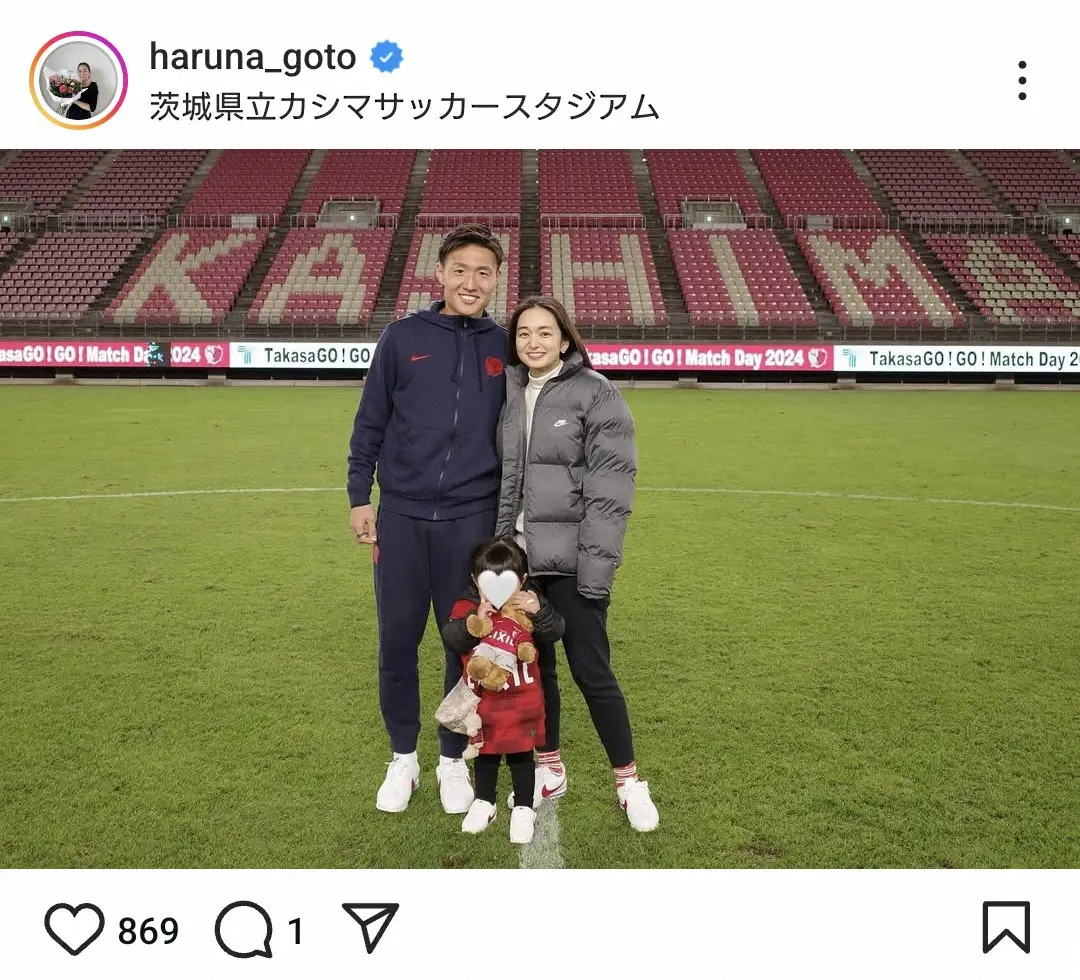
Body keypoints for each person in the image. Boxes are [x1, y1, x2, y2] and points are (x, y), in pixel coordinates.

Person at [347, 223, 508, 815]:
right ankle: (402, 759)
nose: (471, 282)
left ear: (496, 280)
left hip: (472, 521)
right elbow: (370, 421)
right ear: (439, 273)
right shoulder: (402, 337)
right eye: (459, 270)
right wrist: (359, 496)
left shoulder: (505, 344)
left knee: (462, 643)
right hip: (403, 518)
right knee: (397, 640)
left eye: (483, 272)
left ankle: (450, 759)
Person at [495, 295, 659, 832]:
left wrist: (594, 573)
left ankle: (629, 781)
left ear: (565, 339)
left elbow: (611, 492)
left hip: (573, 565)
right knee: (536, 672)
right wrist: (502, 558)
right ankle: (551, 769)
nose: (534, 342)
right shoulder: (511, 392)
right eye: (524, 333)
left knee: (593, 671)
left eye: (545, 332)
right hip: (523, 564)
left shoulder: (596, 392)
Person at [440, 536, 564, 843]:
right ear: (475, 581)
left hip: (524, 700)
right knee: (486, 755)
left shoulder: (528, 603)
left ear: (522, 580)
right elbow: (451, 637)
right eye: (488, 582)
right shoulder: (469, 606)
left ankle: (523, 807)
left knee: (522, 755)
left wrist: (539, 610)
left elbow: (555, 630)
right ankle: (485, 801)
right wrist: (473, 623)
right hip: (484, 703)